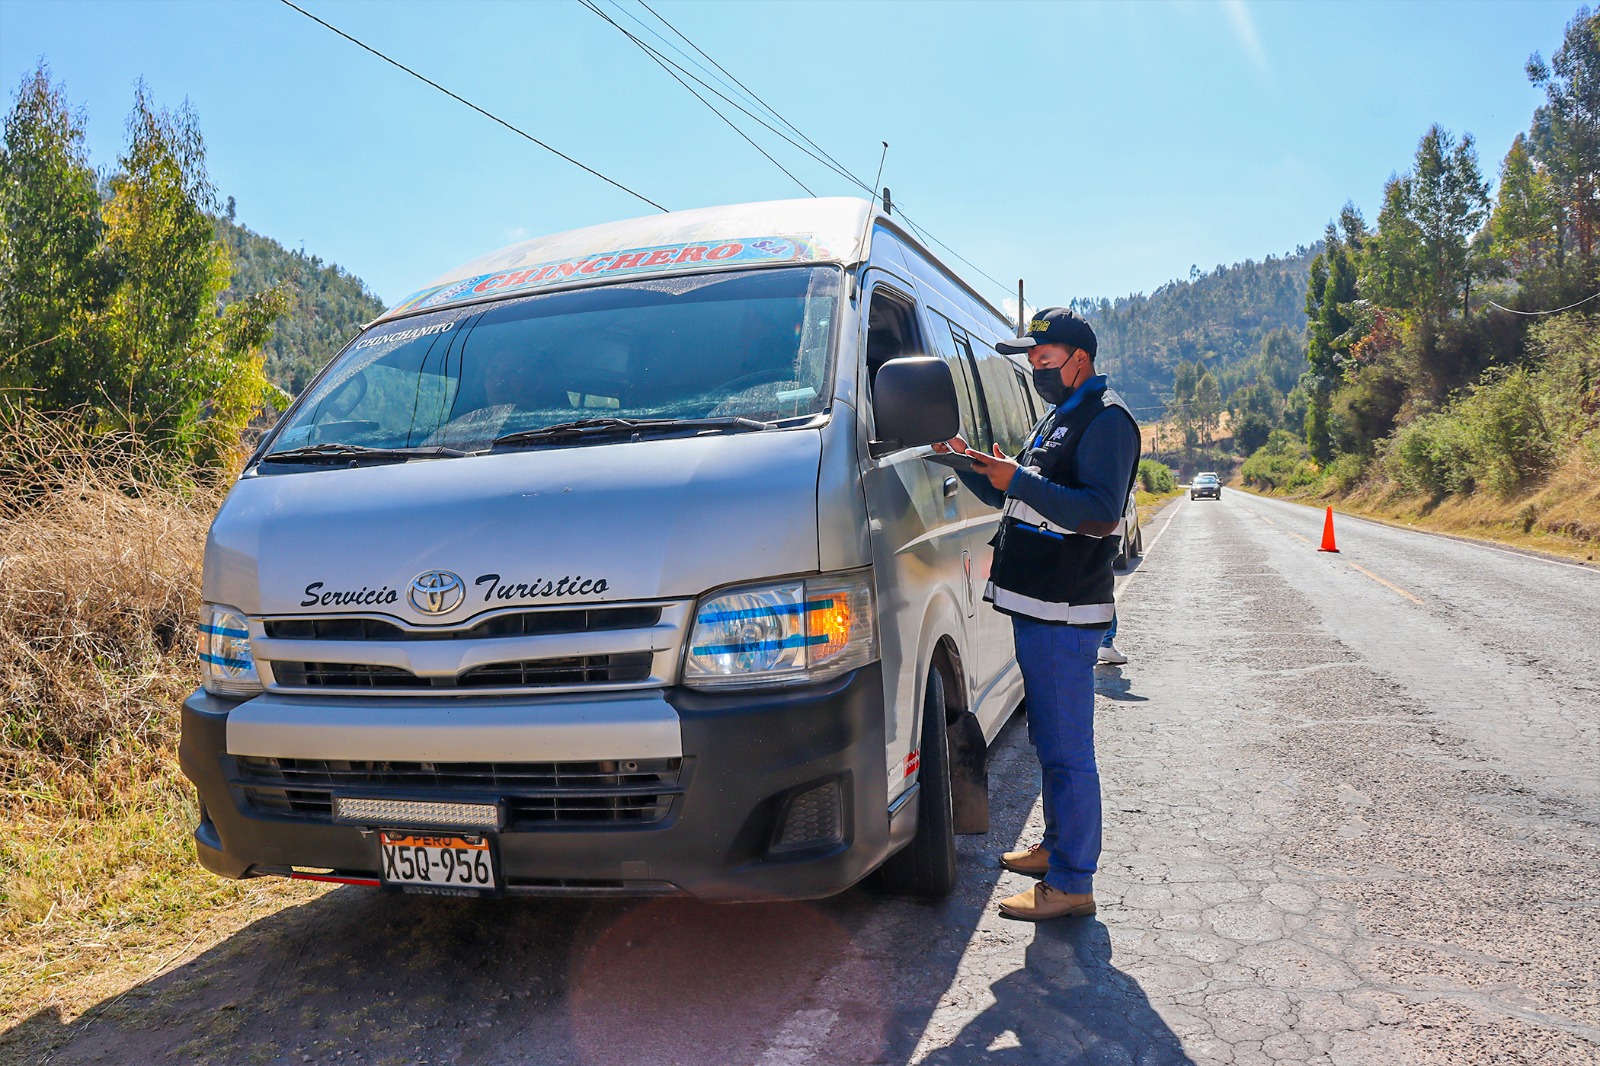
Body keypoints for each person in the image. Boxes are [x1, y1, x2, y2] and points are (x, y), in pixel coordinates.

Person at [935, 307, 1140, 921]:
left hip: (1065, 608)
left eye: (1045, 362)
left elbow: (1101, 511)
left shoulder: (1107, 423)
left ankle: (1073, 881)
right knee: (1049, 740)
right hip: (1036, 604)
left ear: (1080, 359)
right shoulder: (1060, 417)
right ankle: (1056, 850)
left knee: (1069, 750)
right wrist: (979, 468)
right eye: (1031, 365)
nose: (1037, 373)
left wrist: (1018, 477)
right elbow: (1017, 494)